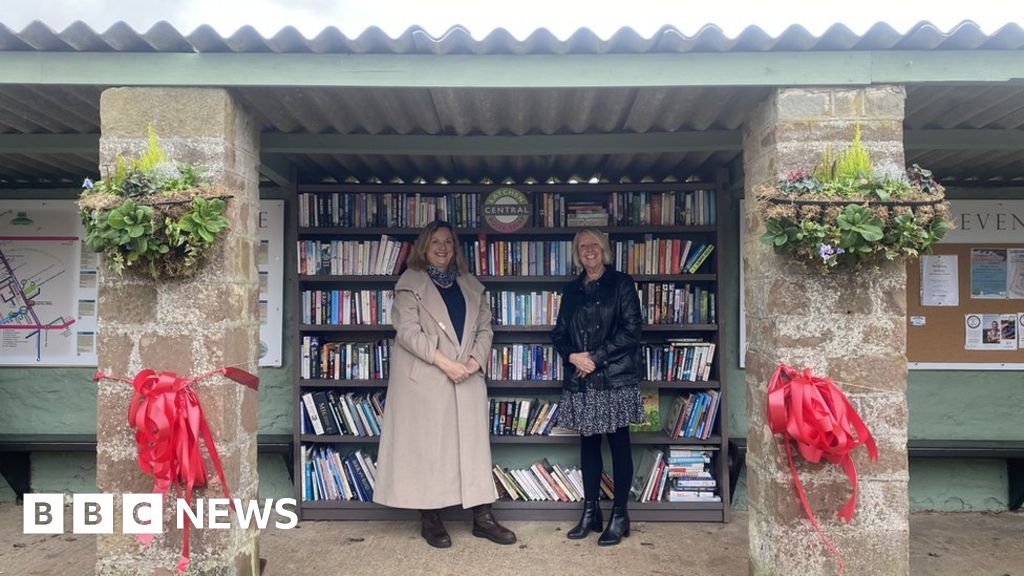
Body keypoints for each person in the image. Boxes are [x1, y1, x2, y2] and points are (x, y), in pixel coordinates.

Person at [374, 220, 516, 548]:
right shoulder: (410, 283)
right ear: (424, 247)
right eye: (435, 242)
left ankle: (482, 517)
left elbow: (485, 329)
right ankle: (431, 518)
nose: (442, 248)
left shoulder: (470, 285)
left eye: (448, 242)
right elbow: (408, 333)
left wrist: (472, 364)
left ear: (455, 248)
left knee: (473, 448)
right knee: (429, 449)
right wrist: (447, 364)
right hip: (427, 378)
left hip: (467, 375)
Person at [550, 228, 645, 546]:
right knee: (588, 446)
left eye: (594, 245)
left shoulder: (622, 283)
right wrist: (573, 356)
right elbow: (558, 334)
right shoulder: (572, 290)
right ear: (577, 254)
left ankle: (620, 515)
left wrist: (595, 358)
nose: (588, 250)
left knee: (619, 445)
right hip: (582, 379)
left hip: (615, 378)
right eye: (582, 247)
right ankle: (590, 512)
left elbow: (632, 331)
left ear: (604, 250)